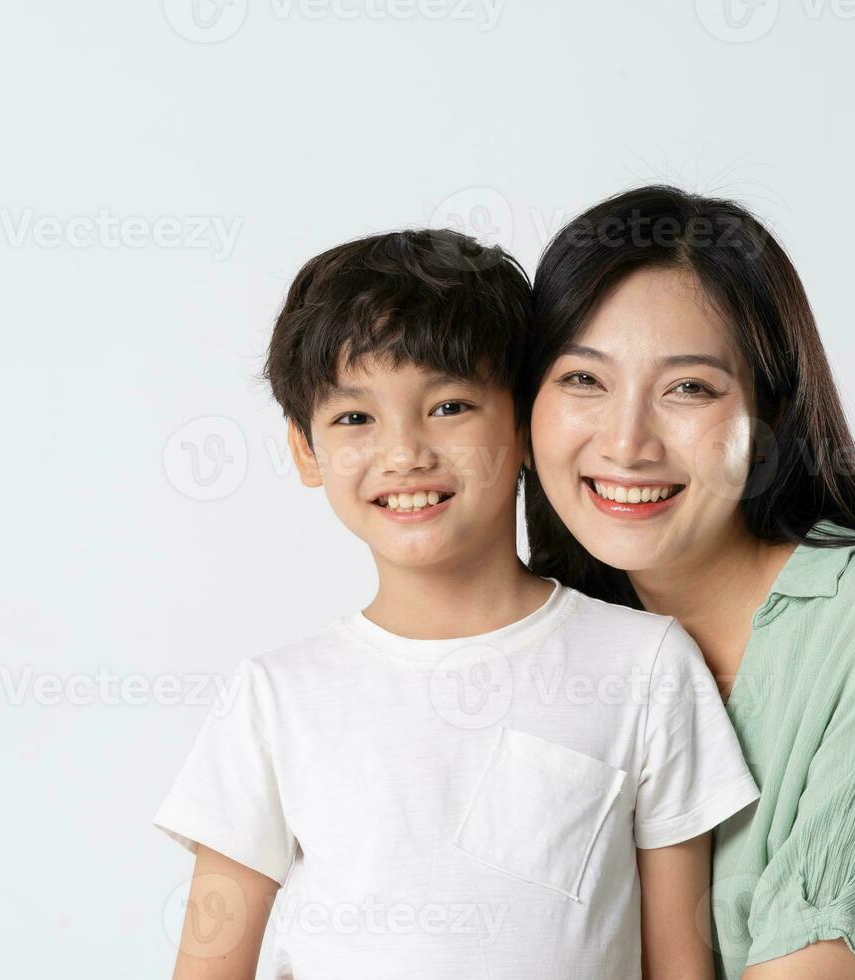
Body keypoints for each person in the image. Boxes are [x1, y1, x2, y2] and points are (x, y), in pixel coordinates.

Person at [152, 227, 759, 980]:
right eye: (353, 418)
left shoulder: (644, 665)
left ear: (524, 425)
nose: (404, 452)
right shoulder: (276, 697)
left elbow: (677, 965)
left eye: (448, 407)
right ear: (305, 450)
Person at [520, 186, 855, 979]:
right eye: (582, 380)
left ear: (769, 418)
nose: (627, 441)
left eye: (689, 388)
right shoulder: (570, 653)